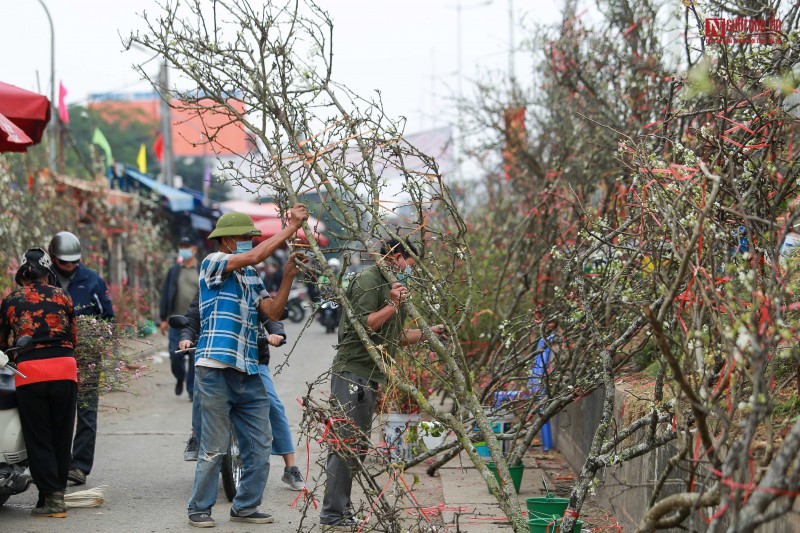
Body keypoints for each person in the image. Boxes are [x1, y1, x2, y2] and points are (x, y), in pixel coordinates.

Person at [186, 204, 308, 528]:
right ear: (227, 241)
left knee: (260, 443)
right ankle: (199, 508)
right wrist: (291, 228)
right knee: (212, 447)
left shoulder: (251, 275)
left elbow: (273, 312)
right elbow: (253, 257)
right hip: (214, 368)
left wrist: (289, 275)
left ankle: (245, 506)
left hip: (248, 369)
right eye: (245, 237)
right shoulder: (213, 263)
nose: (250, 243)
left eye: (252, 238)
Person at [319, 239, 447, 532]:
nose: (409, 273)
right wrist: (393, 304)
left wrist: (430, 333)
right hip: (352, 373)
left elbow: (395, 337)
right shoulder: (368, 279)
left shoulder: (395, 288)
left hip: (371, 376)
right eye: (409, 266)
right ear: (397, 258)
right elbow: (365, 326)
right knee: (345, 444)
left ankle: (340, 508)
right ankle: (332, 513)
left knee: (357, 446)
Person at [178, 291, 306, 491]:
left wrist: (277, 333)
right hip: (215, 359)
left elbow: (271, 315)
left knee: (273, 404)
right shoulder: (208, 288)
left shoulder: (252, 287)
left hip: (252, 360)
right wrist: (186, 337)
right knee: (200, 394)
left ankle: (291, 466)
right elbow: (192, 319)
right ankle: (196, 436)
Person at [0, 249, 78, 518]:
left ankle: (52, 500)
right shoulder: (63, 295)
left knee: (39, 438)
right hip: (65, 369)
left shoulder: (11, 300)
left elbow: (2, 344)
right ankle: (52, 497)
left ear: (22, 273)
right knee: (61, 434)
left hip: (30, 373)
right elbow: (74, 338)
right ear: (48, 273)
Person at [48, 231, 114, 487]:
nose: (71, 266)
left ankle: (79, 466)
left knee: (86, 412)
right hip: (54, 356)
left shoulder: (93, 280)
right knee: (56, 412)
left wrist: (101, 341)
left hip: (86, 356)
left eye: (75, 261)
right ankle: (55, 464)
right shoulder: (46, 281)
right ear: (53, 258)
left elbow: (107, 318)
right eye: (65, 262)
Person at [159, 235, 200, 400]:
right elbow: (166, 294)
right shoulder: (174, 270)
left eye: (187, 246)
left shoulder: (202, 269)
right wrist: (163, 318)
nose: (184, 249)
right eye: (181, 246)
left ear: (194, 249)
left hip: (196, 321)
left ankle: (191, 390)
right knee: (175, 354)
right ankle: (179, 377)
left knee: (194, 356)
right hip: (176, 321)